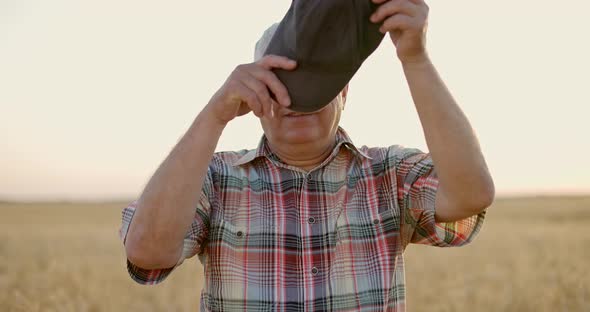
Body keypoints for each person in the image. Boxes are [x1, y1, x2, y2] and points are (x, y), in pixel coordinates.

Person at [119, 0, 495, 310]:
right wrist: (213, 116)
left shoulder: (388, 174)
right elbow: (148, 253)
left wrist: (415, 60)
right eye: (277, 83)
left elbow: (471, 195)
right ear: (251, 96)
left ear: (344, 93)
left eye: (314, 82)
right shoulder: (216, 178)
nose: (293, 100)